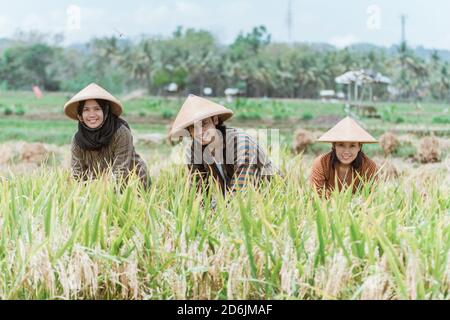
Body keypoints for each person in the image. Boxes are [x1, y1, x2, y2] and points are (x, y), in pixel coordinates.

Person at [168, 94, 280, 196]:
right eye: (193, 127)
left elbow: (241, 190)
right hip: (235, 198)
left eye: (204, 124)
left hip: (271, 196)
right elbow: (198, 190)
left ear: (215, 120)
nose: (199, 132)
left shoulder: (241, 144)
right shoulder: (195, 150)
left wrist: (225, 211)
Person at [64, 83, 150, 189]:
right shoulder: (78, 141)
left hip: (133, 184)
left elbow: (121, 170)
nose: (92, 115)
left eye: (97, 109)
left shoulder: (120, 132)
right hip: (98, 187)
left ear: (105, 112)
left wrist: (108, 198)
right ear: (80, 116)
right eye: (86, 110)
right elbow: (77, 174)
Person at [310, 116, 377, 196]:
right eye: (341, 145)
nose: (346, 152)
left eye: (352, 146)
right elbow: (317, 195)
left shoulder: (369, 166)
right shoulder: (321, 164)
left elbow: (371, 196)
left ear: (359, 147)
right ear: (334, 145)